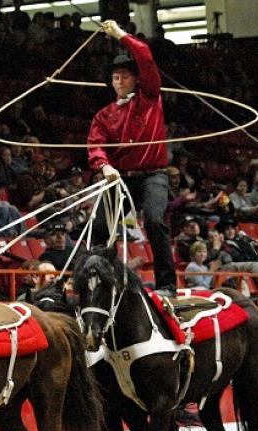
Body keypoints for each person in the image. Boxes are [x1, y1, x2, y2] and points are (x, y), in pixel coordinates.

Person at [87, 20, 176, 296]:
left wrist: (120, 35)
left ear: (136, 79)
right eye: (115, 77)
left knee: (154, 221)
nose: (119, 82)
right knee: (100, 227)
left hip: (152, 175)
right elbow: (95, 145)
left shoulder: (149, 97)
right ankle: (103, 281)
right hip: (120, 177)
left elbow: (145, 57)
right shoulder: (104, 115)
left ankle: (167, 285)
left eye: (125, 76)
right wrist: (104, 166)